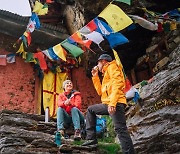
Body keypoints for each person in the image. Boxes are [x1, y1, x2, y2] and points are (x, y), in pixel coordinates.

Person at [82, 54, 135, 153]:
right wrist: (95, 77)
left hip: (116, 102)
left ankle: (128, 152)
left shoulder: (112, 67)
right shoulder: (105, 73)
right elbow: (100, 92)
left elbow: (117, 84)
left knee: (120, 129)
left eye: (98, 62)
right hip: (108, 103)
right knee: (91, 110)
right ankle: (91, 139)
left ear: (103, 61)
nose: (97, 65)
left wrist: (113, 103)